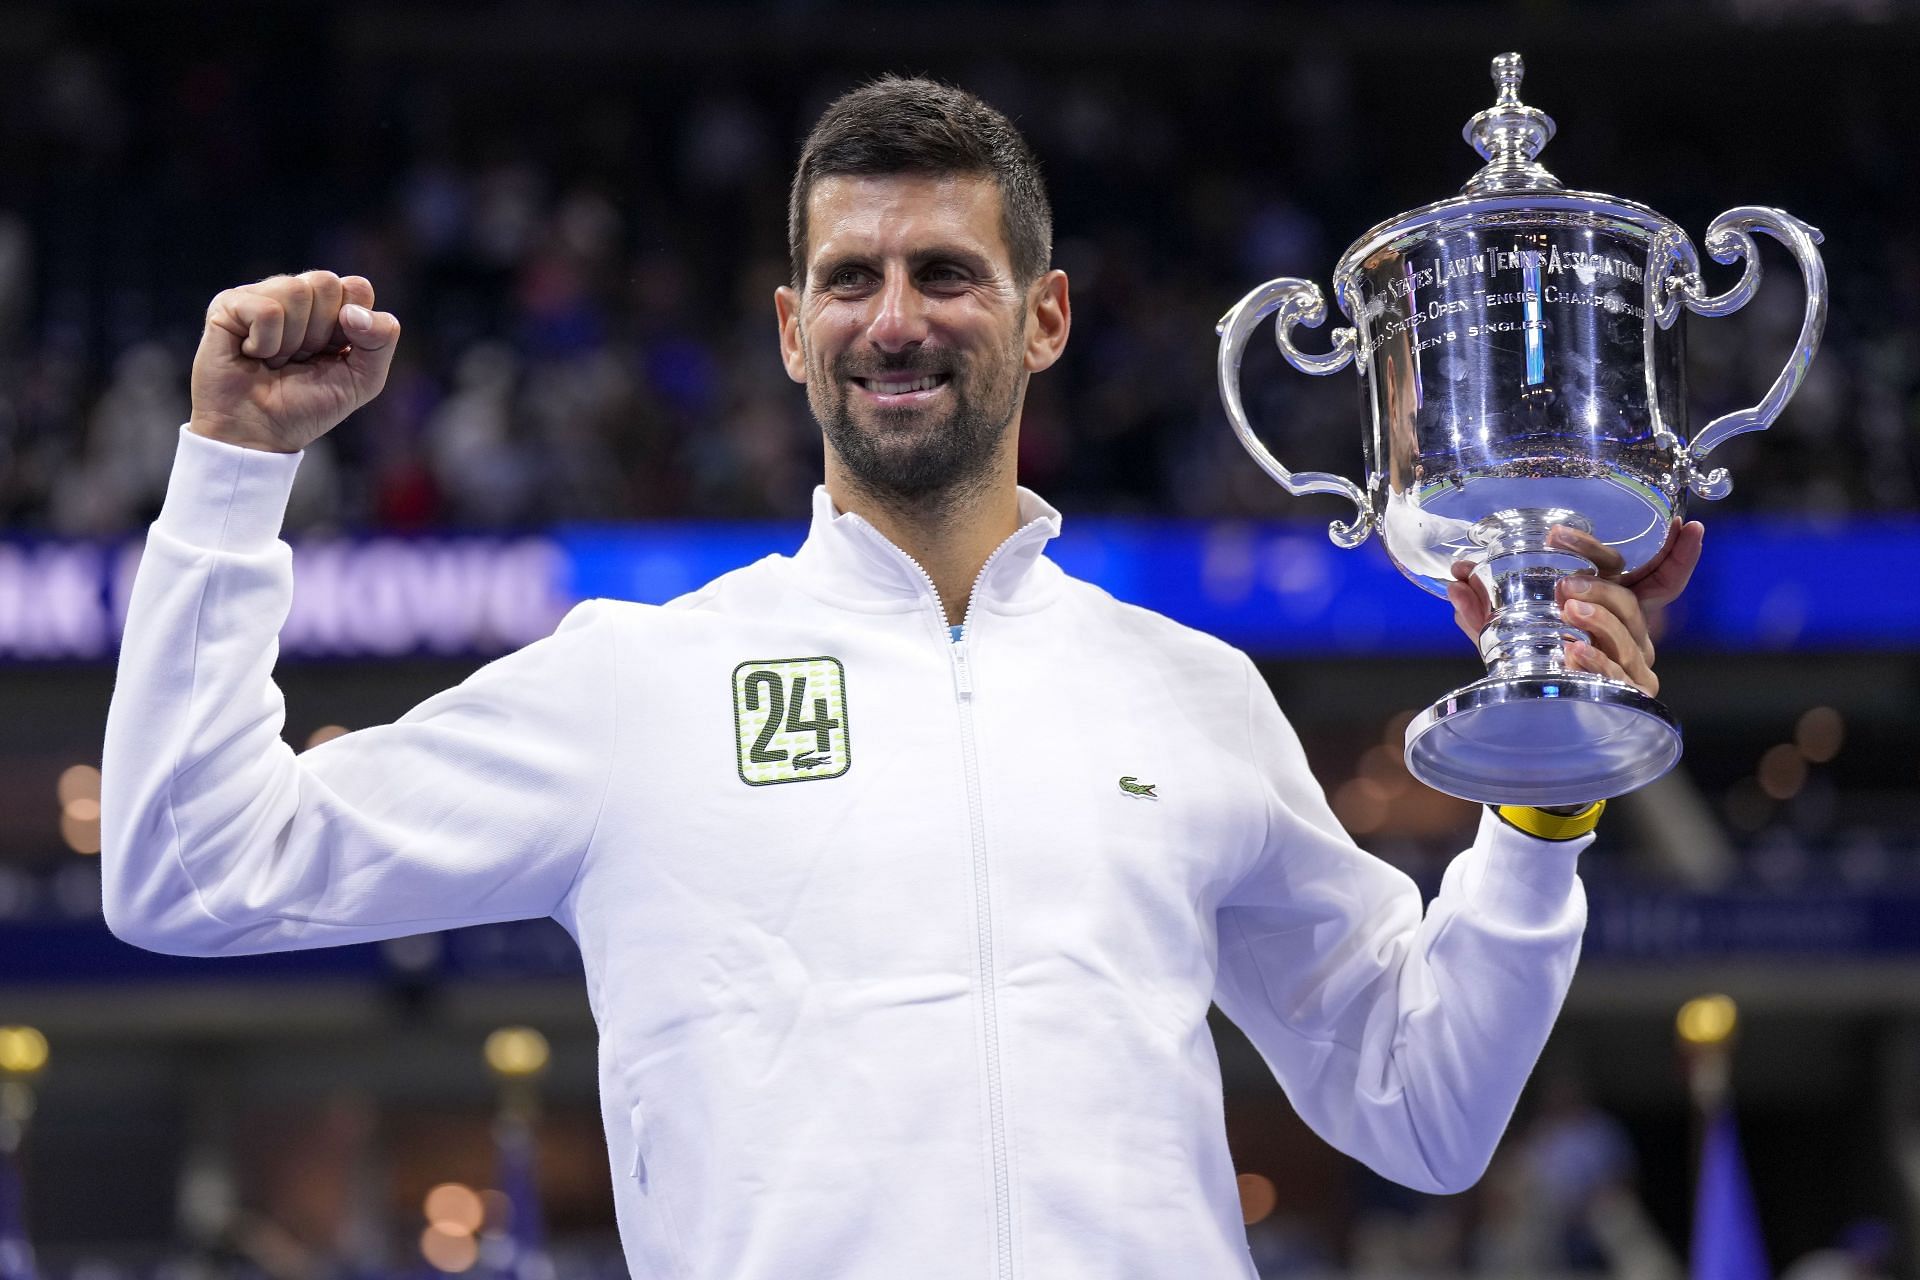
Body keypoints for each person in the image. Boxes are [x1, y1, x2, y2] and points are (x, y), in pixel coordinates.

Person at [101, 77, 1700, 1280]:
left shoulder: (1191, 693)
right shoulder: (637, 684)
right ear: (793, 331)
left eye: (947, 272)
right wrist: (233, 475)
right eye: (852, 280)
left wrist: (1538, 807)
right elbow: (190, 870)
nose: (897, 319)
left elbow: (1422, 1107)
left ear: (1046, 316)